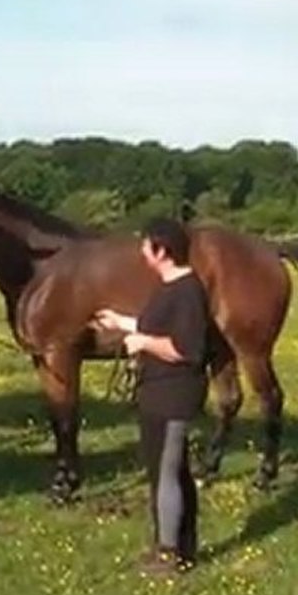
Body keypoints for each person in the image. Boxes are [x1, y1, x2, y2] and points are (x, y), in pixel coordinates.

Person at [94, 217, 211, 576]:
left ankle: (168, 554)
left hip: (173, 394)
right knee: (170, 470)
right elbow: (157, 325)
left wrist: (143, 343)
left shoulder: (188, 291)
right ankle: (182, 546)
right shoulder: (168, 286)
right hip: (157, 391)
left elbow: (186, 349)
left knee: (166, 473)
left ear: (161, 250)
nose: (142, 252)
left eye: (146, 246)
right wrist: (122, 322)